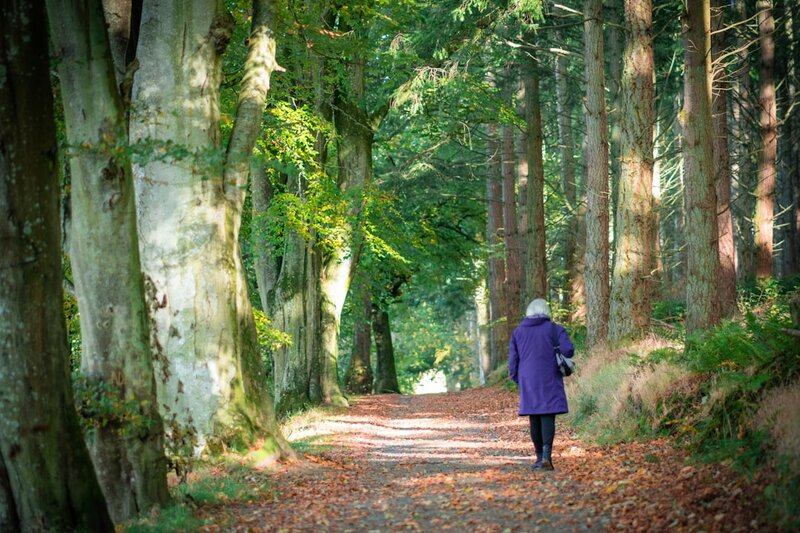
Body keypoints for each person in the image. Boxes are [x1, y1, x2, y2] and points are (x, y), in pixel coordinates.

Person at [509, 298, 574, 471]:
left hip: (527, 379)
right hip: (549, 377)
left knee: (534, 417)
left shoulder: (518, 332)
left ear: (528, 314)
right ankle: (546, 456)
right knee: (547, 415)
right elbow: (568, 350)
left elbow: (513, 361)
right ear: (546, 313)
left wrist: (517, 379)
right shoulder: (555, 329)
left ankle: (538, 458)